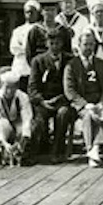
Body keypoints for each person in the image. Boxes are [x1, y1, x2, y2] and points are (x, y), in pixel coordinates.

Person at [63, 31, 103, 167]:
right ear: (79, 45)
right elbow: (69, 90)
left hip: (99, 102)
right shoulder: (71, 65)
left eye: (91, 44)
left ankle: (93, 150)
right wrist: (85, 105)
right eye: (85, 44)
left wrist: (102, 103)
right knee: (89, 116)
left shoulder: (101, 63)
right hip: (81, 105)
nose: (88, 47)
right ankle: (93, 148)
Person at [28, 29, 75, 162]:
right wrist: (43, 101)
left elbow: (74, 85)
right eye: (52, 43)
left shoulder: (70, 60)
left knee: (63, 114)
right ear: (46, 44)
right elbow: (32, 88)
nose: (55, 46)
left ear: (62, 43)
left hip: (62, 100)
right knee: (39, 120)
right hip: (44, 101)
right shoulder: (38, 61)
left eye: (57, 43)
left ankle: (57, 151)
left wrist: (63, 99)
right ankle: (35, 152)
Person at [0, 68, 34, 166]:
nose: (9, 91)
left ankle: (22, 151)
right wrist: (3, 142)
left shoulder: (23, 97)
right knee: (2, 124)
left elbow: (27, 118)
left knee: (28, 126)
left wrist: (23, 139)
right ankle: (3, 151)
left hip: (17, 124)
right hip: (3, 126)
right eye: (7, 87)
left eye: (13, 87)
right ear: (1, 85)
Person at [10, 0, 41, 90]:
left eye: (32, 12)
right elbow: (14, 48)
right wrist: (27, 49)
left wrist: (24, 48)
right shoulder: (18, 30)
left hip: (34, 67)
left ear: (37, 13)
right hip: (20, 67)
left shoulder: (40, 29)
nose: (30, 14)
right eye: (27, 12)